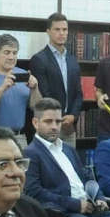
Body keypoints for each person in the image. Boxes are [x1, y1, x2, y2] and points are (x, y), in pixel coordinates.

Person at [0, 34, 42, 147]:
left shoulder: (22, 73)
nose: (11, 57)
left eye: (14, 53)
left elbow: (37, 107)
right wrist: (2, 88)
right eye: (7, 52)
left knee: (22, 165)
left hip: (18, 138)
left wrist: (35, 89)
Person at [28, 13, 83, 147]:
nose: (61, 33)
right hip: (50, 125)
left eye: (64, 30)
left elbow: (78, 93)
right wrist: (60, 118)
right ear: (48, 32)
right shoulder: (39, 59)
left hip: (69, 126)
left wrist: (73, 116)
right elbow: (44, 95)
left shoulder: (72, 60)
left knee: (69, 164)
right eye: (57, 29)